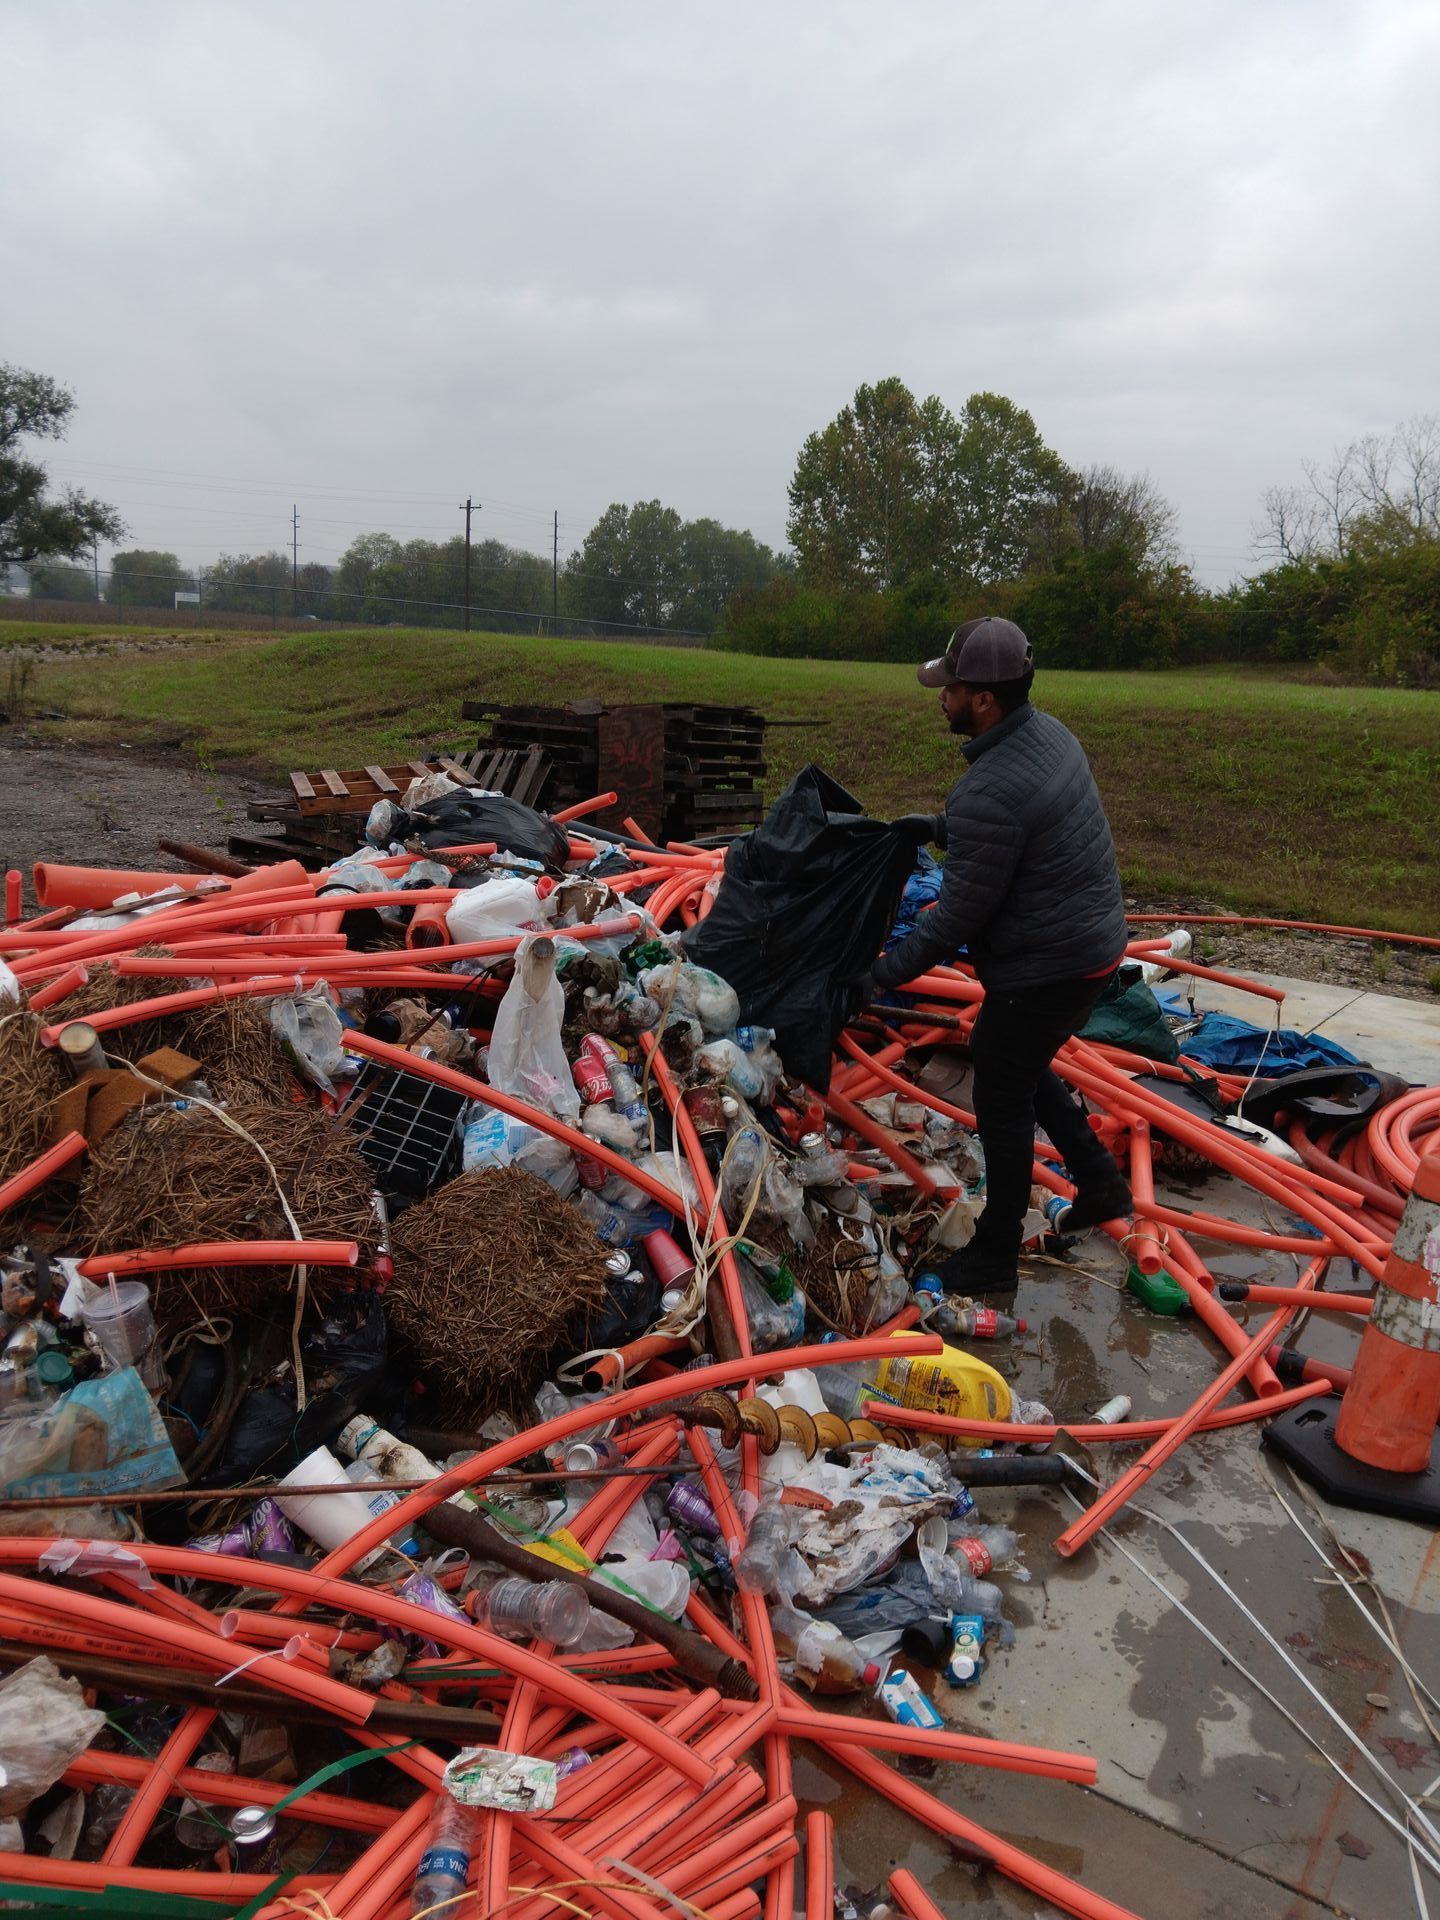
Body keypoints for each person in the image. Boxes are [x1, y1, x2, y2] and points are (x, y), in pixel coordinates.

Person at [867, 616, 1133, 1292]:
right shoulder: (1049, 736)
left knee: (1001, 1095)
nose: (941, 696)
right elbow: (1014, 825)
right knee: (1009, 1055)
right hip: (1092, 943)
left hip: (1051, 963)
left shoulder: (989, 786)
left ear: (983, 700)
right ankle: (1101, 1184)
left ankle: (994, 1253)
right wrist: (940, 828)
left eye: (950, 687)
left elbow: (954, 919)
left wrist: (873, 979)